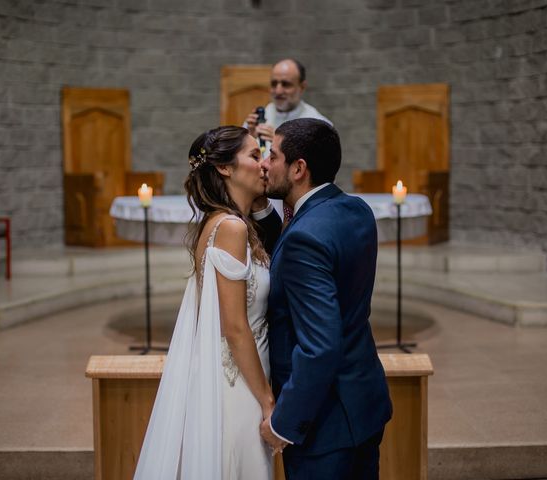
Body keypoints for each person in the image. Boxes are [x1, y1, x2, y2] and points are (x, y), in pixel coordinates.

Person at [133, 126, 277, 480]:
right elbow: (235, 326)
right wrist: (267, 400)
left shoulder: (223, 222)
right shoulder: (231, 228)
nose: (263, 166)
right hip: (239, 386)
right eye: (254, 156)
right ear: (225, 168)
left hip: (237, 376)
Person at [259, 118, 392, 480]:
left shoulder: (306, 237)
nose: (264, 163)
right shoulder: (356, 211)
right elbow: (295, 250)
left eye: (272, 154)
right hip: (364, 403)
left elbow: (320, 345)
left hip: (325, 424)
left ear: (299, 168)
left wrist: (285, 421)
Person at [244, 58, 332, 150]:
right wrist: (250, 138)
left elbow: (323, 162)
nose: (278, 91)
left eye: (286, 84)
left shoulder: (320, 125)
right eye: (274, 84)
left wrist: (282, 142)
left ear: (302, 87)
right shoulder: (257, 119)